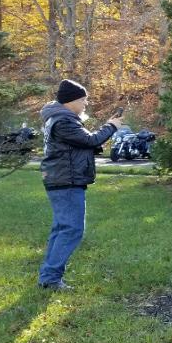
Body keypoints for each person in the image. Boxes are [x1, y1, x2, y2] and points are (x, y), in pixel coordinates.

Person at [38, 79, 123, 291]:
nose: (86, 104)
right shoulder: (64, 120)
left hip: (62, 179)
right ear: (71, 101)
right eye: (83, 100)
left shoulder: (59, 117)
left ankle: (48, 276)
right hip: (67, 180)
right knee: (71, 230)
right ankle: (50, 279)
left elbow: (81, 144)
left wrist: (104, 131)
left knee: (61, 229)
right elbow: (89, 141)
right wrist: (111, 126)